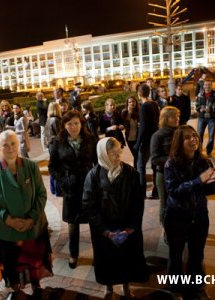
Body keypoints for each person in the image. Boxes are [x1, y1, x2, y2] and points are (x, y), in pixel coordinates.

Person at [0, 130, 52, 299]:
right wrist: (9, 219)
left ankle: (37, 286)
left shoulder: (30, 166)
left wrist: (32, 218)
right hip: (7, 231)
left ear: (18, 144)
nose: (10, 147)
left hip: (33, 226)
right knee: (12, 265)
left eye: (13, 143)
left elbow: (42, 195)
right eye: (5, 144)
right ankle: (16, 290)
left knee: (35, 261)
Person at [82, 138, 148, 299]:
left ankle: (126, 285)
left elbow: (138, 202)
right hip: (104, 229)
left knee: (127, 257)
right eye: (113, 153)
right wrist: (103, 230)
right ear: (103, 154)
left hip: (127, 227)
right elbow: (88, 205)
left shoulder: (131, 173)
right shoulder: (93, 175)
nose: (118, 156)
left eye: (119, 150)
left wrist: (131, 226)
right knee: (107, 259)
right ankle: (108, 286)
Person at [164, 125, 215, 298]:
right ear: (179, 142)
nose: (193, 139)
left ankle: (196, 287)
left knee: (197, 254)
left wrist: (211, 182)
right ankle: (175, 287)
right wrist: (198, 181)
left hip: (199, 216)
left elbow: (210, 191)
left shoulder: (204, 162)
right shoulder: (171, 164)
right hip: (177, 217)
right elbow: (174, 191)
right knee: (176, 255)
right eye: (187, 137)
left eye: (194, 135)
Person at [48, 110, 97, 269]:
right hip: (70, 187)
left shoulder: (90, 139)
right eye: (69, 124)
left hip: (89, 186)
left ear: (81, 123)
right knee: (73, 223)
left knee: (94, 220)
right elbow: (52, 166)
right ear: (64, 126)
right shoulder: (57, 142)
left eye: (76, 123)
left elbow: (98, 162)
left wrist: (96, 180)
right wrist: (63, 181)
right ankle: (73, 254)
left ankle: (99, 253)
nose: (73, 126)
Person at [150, 107, 180, 225]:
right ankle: (167, 230)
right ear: (166, 119)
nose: (177, 118)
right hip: (164, 175)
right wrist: (174, 160)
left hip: (180, 173)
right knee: (165, 203)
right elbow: (155, 159)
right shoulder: (157, 136)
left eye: (178, 116)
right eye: (174, 116)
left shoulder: (180, 132)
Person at [134, 84, 160, 191]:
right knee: (154, 166)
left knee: (141, 167)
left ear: (139, 94)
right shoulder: (154, 104)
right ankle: (156, 190)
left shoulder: (144, 106)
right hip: (154, 138)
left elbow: (143, 128)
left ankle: (142, 192)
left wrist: (137, 144)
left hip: (146, 141)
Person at [195, 80, 215, 156]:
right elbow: (196, 105)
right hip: (202, 118)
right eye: (206, 85)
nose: (207, 86)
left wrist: (212, 109)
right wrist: (199, 109)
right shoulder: (200, 94)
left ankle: (208, 152)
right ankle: (199, 151)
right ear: (203, 86)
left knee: (211, 136)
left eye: (209, 84)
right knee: (199, 135)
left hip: (212, 118)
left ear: (211, 85)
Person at [45, 102, 63, 197]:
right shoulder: (56, 120)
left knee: (53, 166)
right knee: (57, 167)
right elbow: (59, 134)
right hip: (56, 144)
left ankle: (53, 189)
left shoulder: (48, 119)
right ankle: (57, 189)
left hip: (50, 144)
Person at [121, 96, 140, 167]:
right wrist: (129, 112)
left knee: (137, 155)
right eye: (130, 102)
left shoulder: (139, 111)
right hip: (129, 138)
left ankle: (136, 170)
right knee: (135, 155)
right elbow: (123, 124)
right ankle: (136, 170)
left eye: (133, 101)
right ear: (127, 103)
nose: (132, 103)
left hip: (138, 137)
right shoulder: (124, 113)